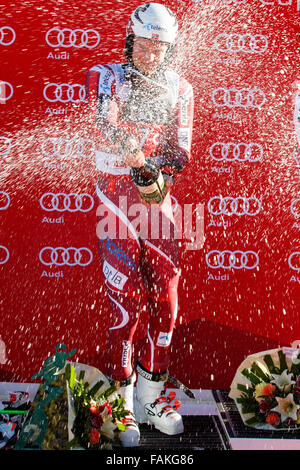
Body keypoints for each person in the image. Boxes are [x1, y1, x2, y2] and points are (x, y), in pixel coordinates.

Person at [85, 3, 194, 446]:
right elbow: (102, 123)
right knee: (127, 305)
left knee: (167, 300)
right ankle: (123, 404)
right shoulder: (105, 74)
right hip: (113, 198)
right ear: (131, 41)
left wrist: (158, 174)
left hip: (155, 200)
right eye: (145, 43)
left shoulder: (180, 88)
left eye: (160, 46)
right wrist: (128, 145)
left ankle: (151, 397)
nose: (152, 52)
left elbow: (180, 150)